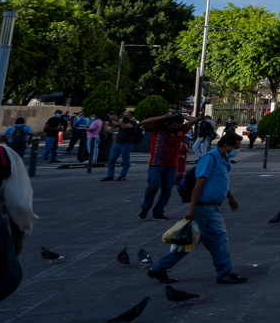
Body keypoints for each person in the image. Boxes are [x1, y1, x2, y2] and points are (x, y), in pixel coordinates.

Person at [146, 132, 248, 285]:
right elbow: (199, 184)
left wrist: (230, 198)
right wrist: (192, 208)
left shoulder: (224, 160)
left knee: (191, 241)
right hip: (206, 208)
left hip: (211, 207)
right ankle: (224, 273)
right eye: (236, 147)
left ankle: (159, 268)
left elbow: (220, 182)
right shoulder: (210, 159)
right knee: (219, 239)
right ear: (226, 146)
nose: (237, 150)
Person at [138, 111, 192, 220]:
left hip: (172, 165)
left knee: (167, 190)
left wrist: (181, 116)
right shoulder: (158, 128)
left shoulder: (181, 131)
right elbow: (143, 122)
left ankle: (158, 212)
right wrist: (163, 117)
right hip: (156, 164)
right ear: (168, 124)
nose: (176, 128)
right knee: (153, 186)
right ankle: (145, 207)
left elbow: (194, 120)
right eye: (173, 125)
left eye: (178, 126)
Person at [102, 111, 138, 181]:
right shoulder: (122, 122)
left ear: (131, 116)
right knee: (111, 160)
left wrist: (116, 119)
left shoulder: (133, 123)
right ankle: (110, 175)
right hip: (117, 144)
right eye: (124, 115)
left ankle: (122, 176)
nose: (124, 116)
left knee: (125, 161)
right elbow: (111, 124)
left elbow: (123, 126)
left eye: (126, 115)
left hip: (126, 144)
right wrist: (110, 118)